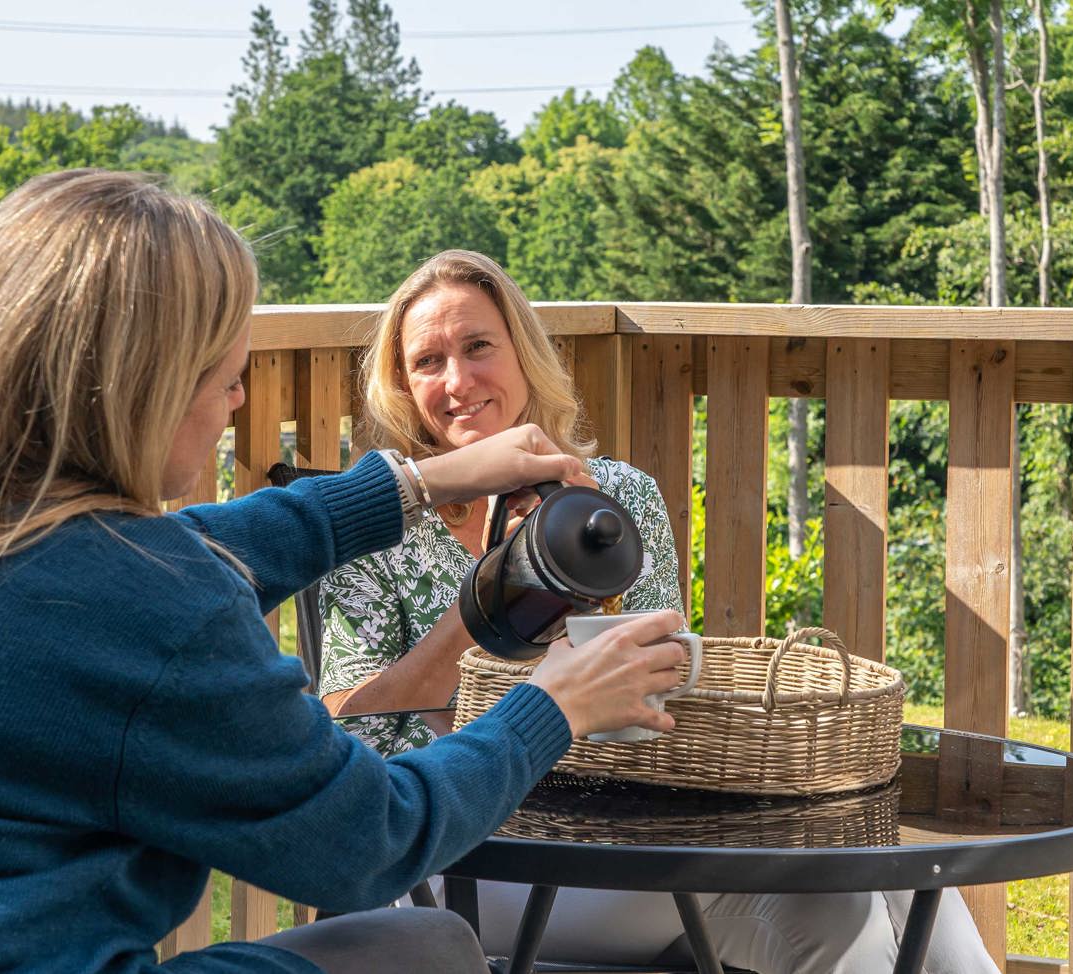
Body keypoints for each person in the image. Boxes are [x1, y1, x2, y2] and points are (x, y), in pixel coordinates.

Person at [0, 171, 696, 974]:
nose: (237, 402)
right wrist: (551, 707)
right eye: (224, 379)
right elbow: (369, 841)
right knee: (424, 946)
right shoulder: (142, 605)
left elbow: (205, 545)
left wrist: (422, 481)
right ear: (137, 390)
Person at [318, 249, 999, 974]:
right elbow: (344, 710)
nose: (457, 381)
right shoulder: (381, 523)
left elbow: (662, 690)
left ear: (522, 354)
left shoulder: (611, 500)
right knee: (838, 897)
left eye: (478, 346)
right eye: (427, 361)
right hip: (456, 854)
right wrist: (499, 593)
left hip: (617, 830)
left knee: (887, 881)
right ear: (401, 385)